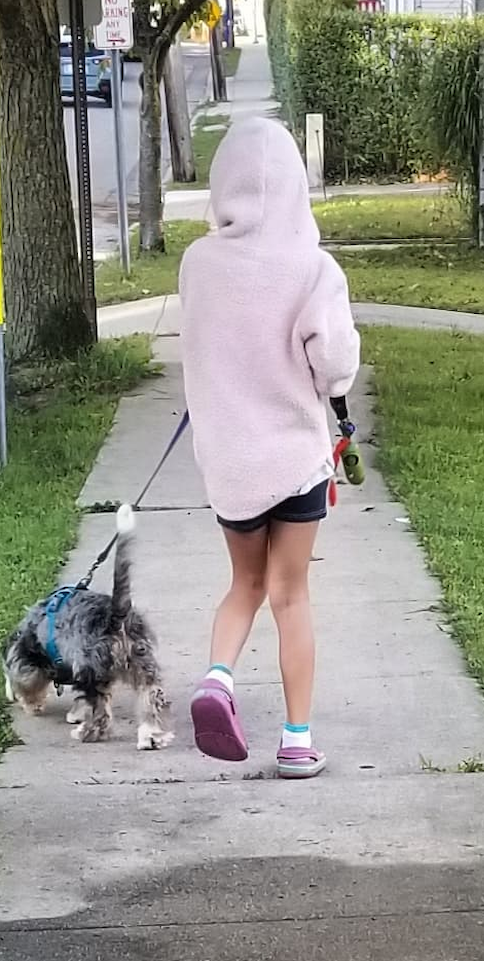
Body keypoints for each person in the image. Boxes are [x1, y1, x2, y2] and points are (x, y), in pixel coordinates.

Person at [178, 117, 361, 780]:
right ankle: (296, 739)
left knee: (243, 585)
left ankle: (217, 680)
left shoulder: (198, 264)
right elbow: (334, 366)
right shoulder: (314, 269)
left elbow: (198, 346)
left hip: (229, 463)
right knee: (290, 595)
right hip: (293, 460)